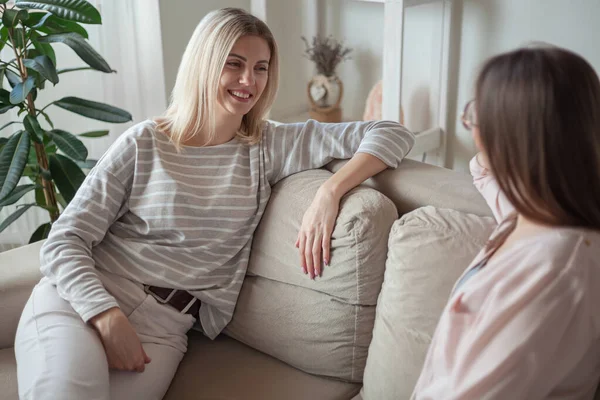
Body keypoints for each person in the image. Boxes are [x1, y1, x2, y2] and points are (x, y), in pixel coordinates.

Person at [14, 7, 415, 400]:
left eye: (261, 67)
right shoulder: (145, 143)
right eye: (234, 64)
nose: (249, 80)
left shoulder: (268, 146)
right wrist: (104, 314)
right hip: (83, 301)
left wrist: (331, 192)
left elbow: (390, 132)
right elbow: (64, 239)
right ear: (204, 64)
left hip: (163, 330)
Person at [412, 46, 600, 399]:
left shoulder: (553, 272)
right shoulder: (533, 212)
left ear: (514, 135)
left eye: (475, 114)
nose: (466, 124)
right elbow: (482, 170)